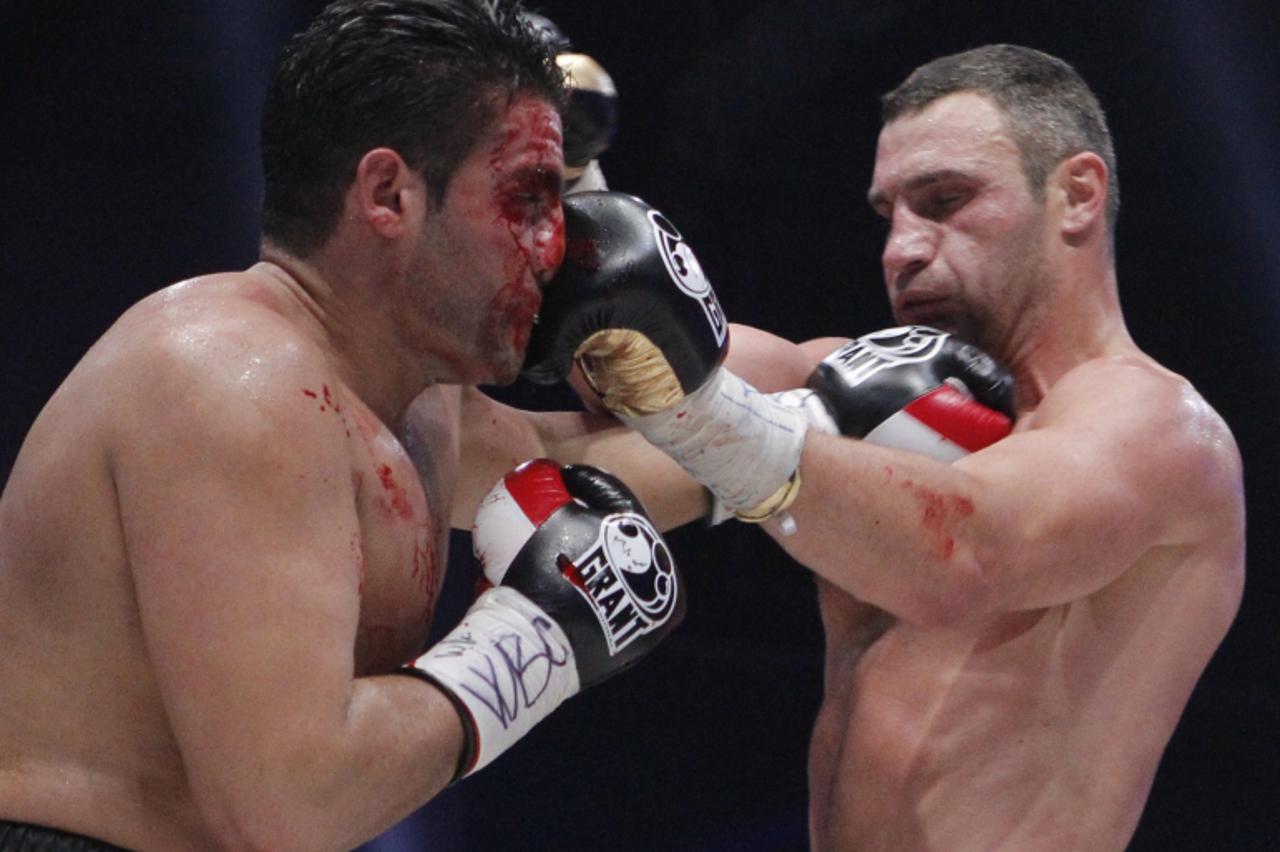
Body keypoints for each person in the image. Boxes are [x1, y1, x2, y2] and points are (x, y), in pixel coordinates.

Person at [0, 2, 691, 850]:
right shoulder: (235, 382)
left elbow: (640, 466)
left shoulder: (410, 407)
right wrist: (531, 644)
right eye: (526, 199)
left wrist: (784, 413)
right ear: (388, 195)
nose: (555, 247)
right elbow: (288, 808)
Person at [526, 45, 1245, 850]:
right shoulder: (858, 384)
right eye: (889, 214)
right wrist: (574, 178)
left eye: (945, 200)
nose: (901, 248)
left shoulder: (1158, 431)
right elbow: (644, 363)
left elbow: (967, 556)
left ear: (1075, 194)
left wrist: (709, 422)